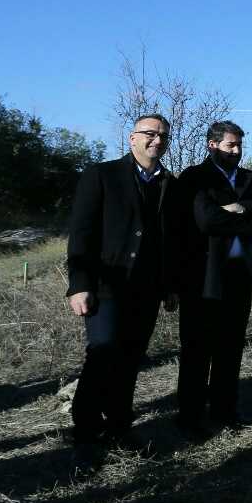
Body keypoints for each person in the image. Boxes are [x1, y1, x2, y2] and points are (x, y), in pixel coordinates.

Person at [65, 114, 184, 472]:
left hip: (146, 288)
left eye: (163, 135)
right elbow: (81, 233)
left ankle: (119, 427)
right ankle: (85, 433)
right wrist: (80, 284)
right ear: (132, 137)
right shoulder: (101, 175)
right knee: (102, 354)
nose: (156, 140)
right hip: (106, 286)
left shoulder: (169, 184)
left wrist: (170, 287)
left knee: (131, 359)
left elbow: (171, 242)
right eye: (149, 134)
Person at [176, 121, 252, 437]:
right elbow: (206, 219)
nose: (236, 151)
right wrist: (246, 220)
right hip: (203, 278)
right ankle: (190, 418)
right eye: (230, 145)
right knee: (197, 350)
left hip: (239, 276)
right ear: (212, 145)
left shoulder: (247, 178)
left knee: (230, 348)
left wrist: (241, 207)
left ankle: (225, 411)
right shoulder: (195, 177)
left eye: (239, 146)